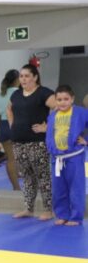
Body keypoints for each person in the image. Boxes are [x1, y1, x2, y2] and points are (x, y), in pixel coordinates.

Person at [7, 64, 56, 220]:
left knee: (42, 175)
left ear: (35, 77)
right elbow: (9, 109)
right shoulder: (16, 95)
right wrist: (12, 124)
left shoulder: (43, 93)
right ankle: (28, 208)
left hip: (37, 142)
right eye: (21, 76)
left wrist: (46, 127)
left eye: (27, 76)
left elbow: (60, 108)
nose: (23, 79)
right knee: (27, 176)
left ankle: (48, 209)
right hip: (18, 141)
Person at [45, 84, 88, 226]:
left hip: (74, 156)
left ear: (72, 99)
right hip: (56, 157)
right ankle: (62, 214)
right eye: (59, 99)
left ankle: (75, 217)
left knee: (76, 187)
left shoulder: (81, 113)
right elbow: (50, 134)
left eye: (66, 99)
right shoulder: (52, 116)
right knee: (59, 188)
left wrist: (85, 140)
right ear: (55, 101)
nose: (62, 102)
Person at [0, 69, 21, 190]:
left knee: (10, 159)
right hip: (16, 126)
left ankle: (15, 186)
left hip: (3, 127)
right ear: (17, 80)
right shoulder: (19, 93)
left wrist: (1, 129)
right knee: (21, 157)